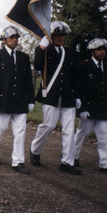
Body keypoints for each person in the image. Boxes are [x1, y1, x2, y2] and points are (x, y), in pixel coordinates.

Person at [29, 21, 81, 175]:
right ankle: (35, 150)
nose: (61, 38)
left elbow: (74, 75)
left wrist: (76, 95)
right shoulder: (46, 50)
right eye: (57, 35)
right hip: (51, 95)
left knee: (69, 130)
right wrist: (41, 47)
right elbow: (37, 66)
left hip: (67, 97)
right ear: (51, 36)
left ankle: (67, 161)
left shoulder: (69, 52)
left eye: (63, 35)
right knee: (49, 126)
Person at [0, 26, 35, 174]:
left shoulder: (23, 57)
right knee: (0, 127)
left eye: (16, 38)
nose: (15, 40)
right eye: (11, 38)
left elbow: (28, 80)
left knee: (20, 131)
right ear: (4, 39)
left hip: (20, 100)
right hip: (3, 99)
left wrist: (30, 99)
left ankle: (18, 161)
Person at [73, 38, 107, 174]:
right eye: (99, 49)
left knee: (104, 137)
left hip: (104, 108)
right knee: (82, 134)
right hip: (89, 108)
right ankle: (73, 156)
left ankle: (104, 163)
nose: (102, 52)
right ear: (92, 51)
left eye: (104, 50)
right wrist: (81, 109)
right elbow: (79, 88)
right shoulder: (83, 66)